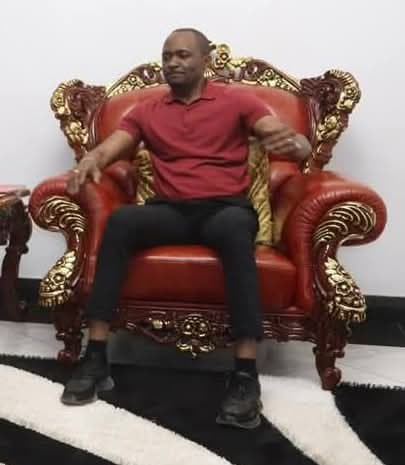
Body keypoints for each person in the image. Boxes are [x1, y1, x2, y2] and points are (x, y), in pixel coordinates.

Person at [62, 27, 311, 429]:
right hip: (170, 210)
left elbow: (282, 136)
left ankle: (245, 373)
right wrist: (92, 159)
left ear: (205, 61)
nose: (173, 63)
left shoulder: (236, 100)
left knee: (236, 229)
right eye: (167, 56)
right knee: (122, 221)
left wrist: (296, 145)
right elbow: (115, 145)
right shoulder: (147, 110)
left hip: (225, 210)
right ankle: (95, 356)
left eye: (183, 55)